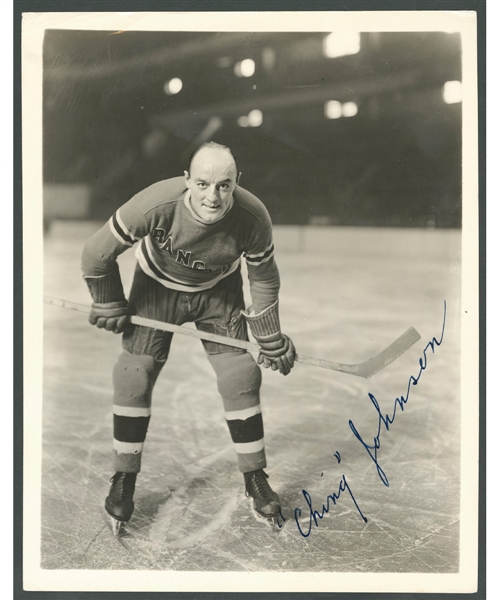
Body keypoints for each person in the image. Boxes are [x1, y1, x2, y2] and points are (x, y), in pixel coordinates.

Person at [81, 141, 296, 534]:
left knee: (241, 376)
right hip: (156, 290)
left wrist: (269, 335)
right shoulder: (155, 204)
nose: (212, 196)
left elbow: (263, 277)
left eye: (224, 186)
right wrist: (109, 301)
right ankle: (124, 477)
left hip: (218, 294)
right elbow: (97, 253)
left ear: (237, 183)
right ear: (186, 181)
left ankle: (254, 476)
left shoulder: (252, 216)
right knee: (133, 375)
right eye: (202, 184)